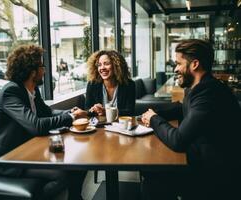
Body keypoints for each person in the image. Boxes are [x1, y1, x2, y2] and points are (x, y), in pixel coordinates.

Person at [0, 44, 87, 200]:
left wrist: (71, 112)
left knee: (78, 164)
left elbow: (48, 113)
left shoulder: (31, 90)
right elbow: (36, 125)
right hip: (4, 160)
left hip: (24, 152)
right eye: (42, 67)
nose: (44, 71)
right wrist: (70, 118)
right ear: (33, 72)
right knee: (62, 174)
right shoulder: (10, 92)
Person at [141, 39, 241, 200]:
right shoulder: (198, 88)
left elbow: (178, 140)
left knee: (153, 178)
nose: (175, 69)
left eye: (179, 63)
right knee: (149, 169)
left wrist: (153, 119)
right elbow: (182, 108)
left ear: (194, 64)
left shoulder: (208, 94)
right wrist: (151, 113)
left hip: (216, 176)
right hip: (206, 160)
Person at [85, 50, 135, 116]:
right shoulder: (92, 85)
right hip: (99, 125)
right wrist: (94, 109)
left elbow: (130, 112)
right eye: (99, 65)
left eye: (106, 64)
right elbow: (87, 109)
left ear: (116, 66)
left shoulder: (129, 85)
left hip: (121, 125)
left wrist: (107, 112)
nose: (102, 68)